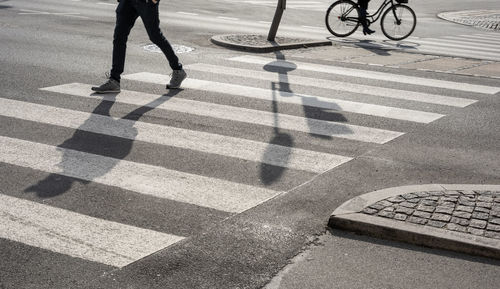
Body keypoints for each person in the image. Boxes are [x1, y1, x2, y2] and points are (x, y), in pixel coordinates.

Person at [92, 0, 186, 93]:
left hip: (145, 2)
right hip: (127, 2)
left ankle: (177, 69)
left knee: (155, 36)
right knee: (119, 37)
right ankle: (114, 80)